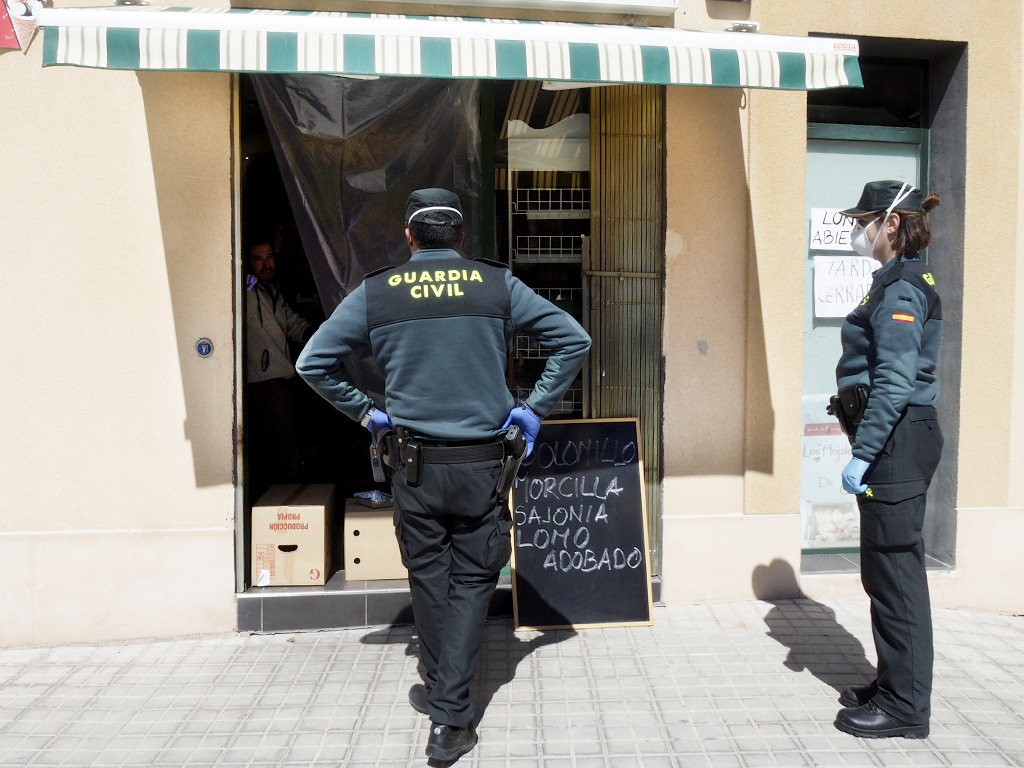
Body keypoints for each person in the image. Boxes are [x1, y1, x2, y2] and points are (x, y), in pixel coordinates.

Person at [296, 188, 590, 762]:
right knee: (475, 579)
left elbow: (312, 362)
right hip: (482, 464)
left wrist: (365, 410)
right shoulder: (494, 284)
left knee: (430, 577)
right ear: (459, 238)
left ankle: (443, 694)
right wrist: (534, 408)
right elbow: (571, 339)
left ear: (410, 237)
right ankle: (452, 716)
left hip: (413, 463)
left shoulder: (378, 292)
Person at [832, 180, 943, 740]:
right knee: (885, 572)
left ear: (892, 224)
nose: (860, 230)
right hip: (895, 441)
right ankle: (894, 681)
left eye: (866, 219)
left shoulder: (900, 288)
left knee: (896, 575)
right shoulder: (897, 282)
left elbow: (895, 382)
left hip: (896, 442)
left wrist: (866, 453)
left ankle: (906, 708)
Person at [245, 237, 314, 492]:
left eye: (269, 257)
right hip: (263, 383)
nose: (266, 264)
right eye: (258, 258)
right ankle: (286, 507)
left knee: (284, 447)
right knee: (280, 454)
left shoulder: (272, 291)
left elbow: (291, 323)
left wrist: (314, 334)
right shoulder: (245, 292)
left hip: (280, 379)